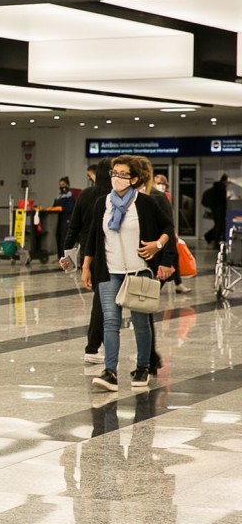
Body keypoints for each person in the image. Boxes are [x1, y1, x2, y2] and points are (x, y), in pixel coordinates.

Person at [82, 155, 176, 392]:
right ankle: (110, 372)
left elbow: (167, 227)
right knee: (110, 322)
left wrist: (158, 245)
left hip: (139, 271)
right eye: (114, 173)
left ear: (134, 179)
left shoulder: (145, 203)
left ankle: (142, 367)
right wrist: (86, 266)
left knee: (140, 322)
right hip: (109, 271)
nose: (117, 178)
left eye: (122, 174)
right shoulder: (103, 203)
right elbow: (94, 236)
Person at [60, 159, 111, 366]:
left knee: (101, 299)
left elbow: (74, 226)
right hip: (109, 253)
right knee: (104, 301)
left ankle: (97, 345)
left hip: (88, 254)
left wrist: (67, 254)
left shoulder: (85, 195)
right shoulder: (114, 197)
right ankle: (94, 346)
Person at [153, 173, 190, 294]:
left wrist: (173, 232)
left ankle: (177, 283)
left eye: (163, 183)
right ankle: (173, 283)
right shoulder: (152, 196)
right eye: (158, 183)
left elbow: (168, 219)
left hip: (167, 233)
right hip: (157, 234)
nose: (161, 186)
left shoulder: (165, 196)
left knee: (173, 257)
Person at [204, 174, 229, 247]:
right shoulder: (222, 187)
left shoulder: (217, 187)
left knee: (218, 225)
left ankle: (210, 237)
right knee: (219, 225)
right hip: (219, 210)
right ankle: (214, 239)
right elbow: (222, 199)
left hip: (215, 209)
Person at [53, 176, 75, 256]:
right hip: (58, 219)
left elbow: (71, 208)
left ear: (67, 185)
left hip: (66, 220)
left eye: (63, 184)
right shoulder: (58, 197)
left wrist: (62, 208)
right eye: (60, 185)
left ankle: (64, 256)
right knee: (58, 237)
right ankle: (59, 256)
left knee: (64, 238)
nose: (62, 187)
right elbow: (54, 207)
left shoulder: (70, 196)